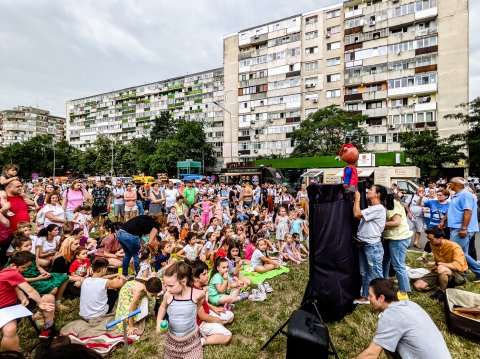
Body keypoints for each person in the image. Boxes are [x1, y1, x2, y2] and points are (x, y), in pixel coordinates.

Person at [354, 278, 451, 359]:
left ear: (381, 298)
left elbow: (371, 354)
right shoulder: (410, 304)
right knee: (387, 343)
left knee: (386, 343)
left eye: (371, 295)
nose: (369, 298)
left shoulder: (391, 316)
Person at [0, 251, 56, 349]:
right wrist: (40, 303)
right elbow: (30, 290)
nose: (25, 270)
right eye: (24, 267)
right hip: (5, 308)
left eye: (27, 267)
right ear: (13, 265)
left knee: (49, 297)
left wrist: (22, 297)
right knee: (10, 329)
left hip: (16, 303)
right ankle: (10, 354)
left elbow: (15, 287)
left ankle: (48, 330)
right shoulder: (12, 273)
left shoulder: (8, 271)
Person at [156, 261, 205, 359]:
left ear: (183, 282)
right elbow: (163, 307)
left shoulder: (197, 294)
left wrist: (194, 315)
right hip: (172, 341)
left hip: (191, 341)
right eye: (166, 285)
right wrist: (158, 322)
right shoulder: (168, 295)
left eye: (171, 286)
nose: (167, 289)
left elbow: (200, 302)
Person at [440, 177, 480, 282]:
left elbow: (468, 212)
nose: (448, 184)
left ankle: (478, 271)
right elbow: (452, 210)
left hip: (461, 229)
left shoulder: (465, 195)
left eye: (450, 182)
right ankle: (464, 272)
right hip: (457, 228)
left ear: (456, 184)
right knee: (462, 253)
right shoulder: (456, 195)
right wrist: (444, 221)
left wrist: (463, 228)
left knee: (456, 252)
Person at [413, 228, 468, 301]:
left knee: (442, 268)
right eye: (428, 238)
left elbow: (457, 266)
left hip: (458, 274)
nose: (430, 241)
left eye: (432, 239)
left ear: (441, 238)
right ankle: (444, 283)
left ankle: (442, 292)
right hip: (439, 270)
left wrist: (438, 263)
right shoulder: (432, 244)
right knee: (418, 286)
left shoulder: (455, 247)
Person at [353, 186, 387, 304]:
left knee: (376, 273)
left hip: (373, 247)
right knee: (365, 272)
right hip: (364, 244)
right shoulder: (372, 208)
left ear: (378, 194)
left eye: (371, 190)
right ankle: (366, 297)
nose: (367, 191)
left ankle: (383, 300)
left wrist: (357, 199)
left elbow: (357, 214)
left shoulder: (378, 208)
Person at [191, 259, 233, 346]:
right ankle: (200, 342)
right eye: (204, 274)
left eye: (207, 273)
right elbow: (203, 317)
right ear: (195, 277)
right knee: (227, 336)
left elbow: (203, 304)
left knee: (230, 316)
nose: (207, 276)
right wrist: (217, 320)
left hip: (208, 313)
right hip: (201, 323)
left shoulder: (198, 287)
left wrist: (214, 308)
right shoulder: (196, 293)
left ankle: (217, 326)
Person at [382, 191, 413, 300]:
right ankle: (384, 286)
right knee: (384, 262)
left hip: (399, 238)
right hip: (389, 237)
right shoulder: (385, 202)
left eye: (371, 190)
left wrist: (378, 223)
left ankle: (405, 292)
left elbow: (396, 222)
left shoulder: (392, 202)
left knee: (398, 265)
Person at [417, 188, 451, 261]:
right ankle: (424, 256)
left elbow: (450, 216)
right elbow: (419, 204)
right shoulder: (431, 202)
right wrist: (421, 197)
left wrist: (444, 223)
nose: (438, 196)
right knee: (430, 241)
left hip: (444, 227)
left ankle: (442, 257)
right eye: (438, 195)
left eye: (441, 195)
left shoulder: (450, 205)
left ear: (446, 196)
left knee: (444, 242)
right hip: (433, 226)